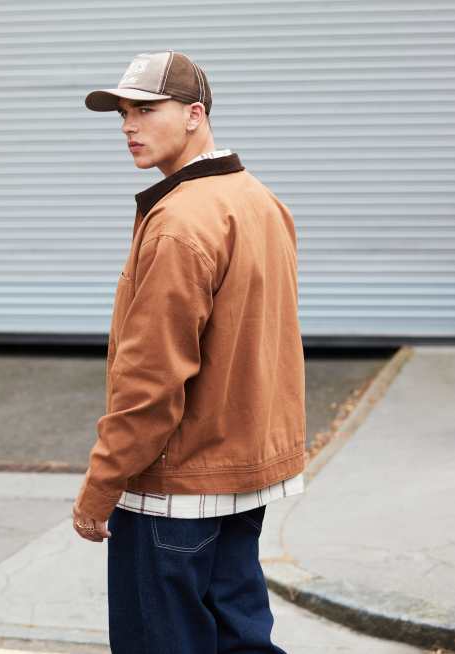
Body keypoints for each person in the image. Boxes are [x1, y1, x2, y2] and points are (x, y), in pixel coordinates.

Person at [72, 49, 307, 654]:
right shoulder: (259, 200)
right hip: (244, 474)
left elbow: (151, 380)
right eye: (123, 113)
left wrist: (101, 486)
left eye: (146, 110)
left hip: (175, 488)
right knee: (241, 639)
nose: (129, 126)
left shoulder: (180, 221)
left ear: (195, 114)